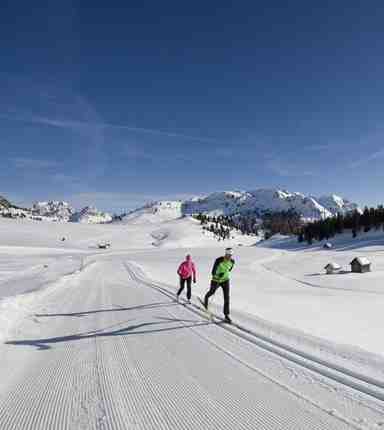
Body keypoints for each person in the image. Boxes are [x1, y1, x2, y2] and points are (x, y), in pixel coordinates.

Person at [204, 248, 235, 323]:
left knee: (227, 297)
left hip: (225, 280)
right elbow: (213, 272)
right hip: (216, 280)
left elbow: (229, 269)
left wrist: (225, 275)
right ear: (225, 254)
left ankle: (226, 315)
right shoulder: (219, 260)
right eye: (228, 255)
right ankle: (206, 298)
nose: (229, 257)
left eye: (230, 255)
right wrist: (218, 274)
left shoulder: (232, 262)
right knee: (212, 292)